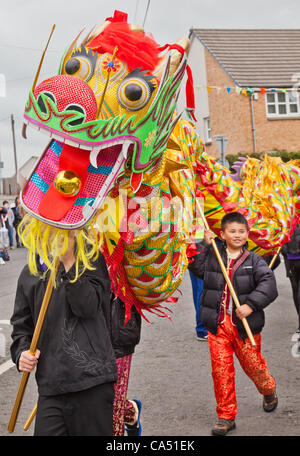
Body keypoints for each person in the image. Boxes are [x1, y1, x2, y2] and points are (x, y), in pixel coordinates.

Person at [10, 237, 117, 436]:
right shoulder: (30, 273)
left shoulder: (91, 260)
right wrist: (22, 353)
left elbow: (88, 307)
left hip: (91, 382)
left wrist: (69, 262)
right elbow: (21, 327)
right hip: (51, 385)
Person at [188, 212, 278, 436]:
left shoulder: (253, 260)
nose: (237, 235)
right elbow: (195, 267)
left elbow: (269, 284)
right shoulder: (214, 255)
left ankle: (269, 390)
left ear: (247, 235)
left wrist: (251, 305)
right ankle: (226, 416)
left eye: (241, 232)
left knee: (255, 368)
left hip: (245, 328)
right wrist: (205, 246)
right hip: (218, 325)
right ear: (222, 234)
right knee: (221, 371)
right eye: (232, 231)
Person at [110, 294, 142, 436]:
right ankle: (130, 411)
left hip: (118, 332)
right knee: (89, 399)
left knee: (113, 405)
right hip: (84, 336)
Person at [281, 224, 300, 336]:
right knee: (296, 290)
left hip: (290, 258)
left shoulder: (285, 216)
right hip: (290, 258)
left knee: (296, 290)